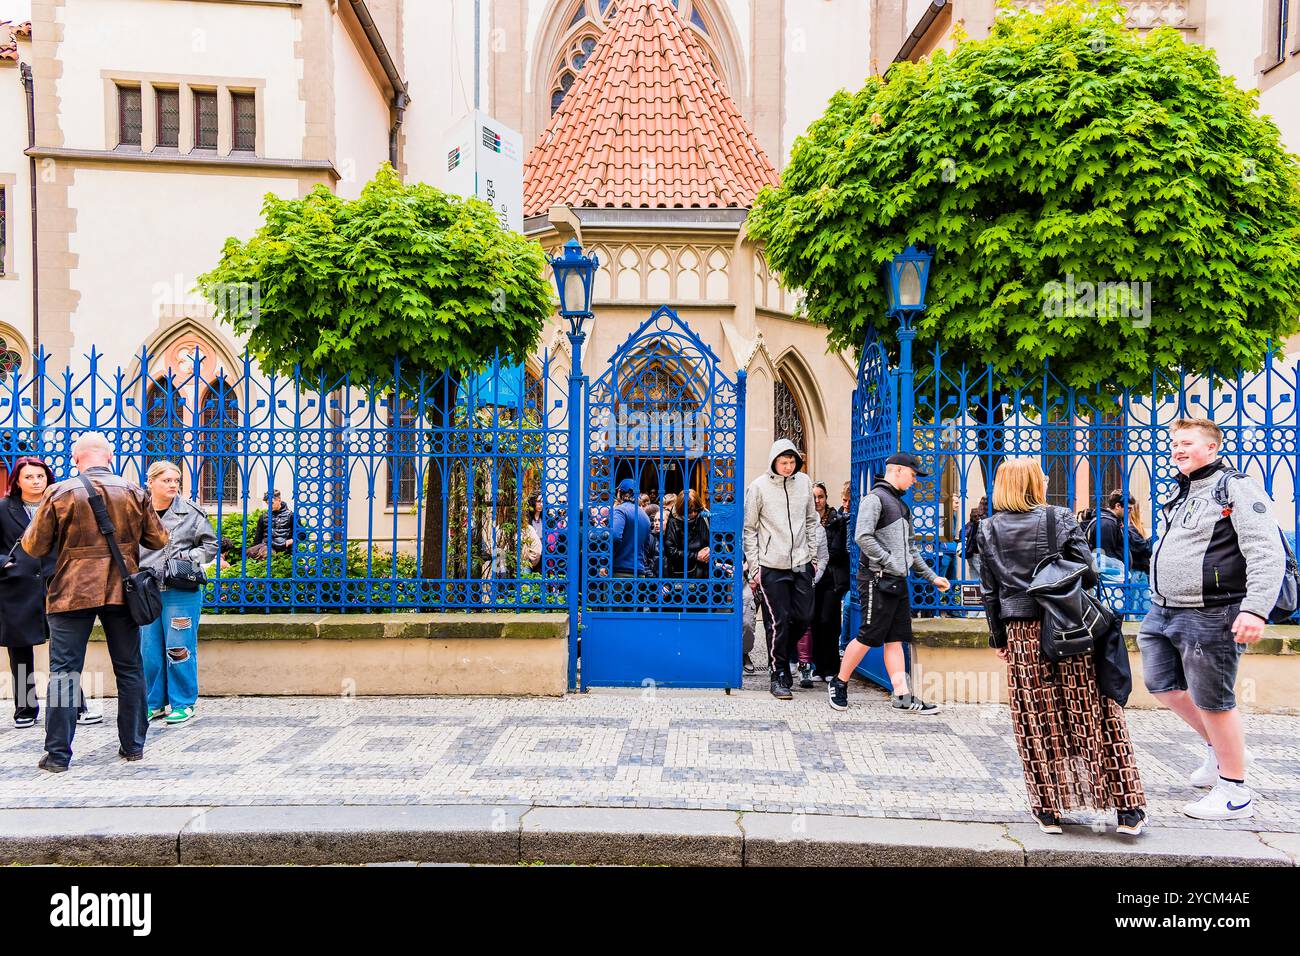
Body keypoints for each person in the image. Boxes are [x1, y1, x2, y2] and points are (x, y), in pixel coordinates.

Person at [975, 457, 1147, 835]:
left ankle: (1048, 809)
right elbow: (1088, 570)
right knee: (1092, 709)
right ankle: (1126, 809)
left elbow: (990, 591)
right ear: (1035, 484)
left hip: (1021, 630)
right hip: (1068, 624)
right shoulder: (1060, 517)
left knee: (1037, 717)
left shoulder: (986, 528)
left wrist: (998, 637)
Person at [1140, 418, 1284, 821]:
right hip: (1164, 609)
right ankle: (1220, 751)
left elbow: (1264, 550)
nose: (1177, 451)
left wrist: (1255, 608)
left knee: (1214, 700)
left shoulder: (1234, 486)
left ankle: (1235, 792)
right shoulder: (1185, 490)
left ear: (1212, 448)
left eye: (1186, 444)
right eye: (1174, 445)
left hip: (1213, 611)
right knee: (1162, 685)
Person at [22, 432, 168, 772]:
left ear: (76, 459)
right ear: (110, 457)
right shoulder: (133, 491)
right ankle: (133, 746)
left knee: (63, 675)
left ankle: (58, 755)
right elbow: (158, 538)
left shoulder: (58, 492)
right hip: (122, 589)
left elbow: (34, 547)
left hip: (72, 591)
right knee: (129, 669)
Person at [828, 453, 950, 713]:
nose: (915, 480)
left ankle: (902, 696)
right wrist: (889, 561)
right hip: (876, 579)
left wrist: (932, 577)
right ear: (896, 470)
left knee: (896, 639)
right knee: (868, 636)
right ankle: (839, 683)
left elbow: (911, 548)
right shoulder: (875, 499)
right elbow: (862, 536)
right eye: (913, 474)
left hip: (896, 580)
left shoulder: (901, 505)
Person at [0, 458, 98, 729]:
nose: (35, 481)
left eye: (40, 476)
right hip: (16, 588)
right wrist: (5, 564)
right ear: (17, 481)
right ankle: (26, 708)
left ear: (48, 479)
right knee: (20, 650)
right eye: (29, 477)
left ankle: (76, 706)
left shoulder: (60, 503)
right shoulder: (3, 509)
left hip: (57, 583)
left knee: (65, 647)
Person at [137, 461, 219, 726]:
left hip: (181, 590)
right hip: (147, 589)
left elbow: (210, 545)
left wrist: (185, 558)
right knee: (148, 650)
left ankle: (183, 702)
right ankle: (154, 702)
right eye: (167, 480)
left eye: (176, 481)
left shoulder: (191, 513)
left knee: (179, 647)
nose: (173, 485)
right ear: (150, 482)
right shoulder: (136, 511)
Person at [743, 438, 818, 700]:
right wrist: (755, 567)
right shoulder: (758, 487)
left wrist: (814, 556)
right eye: (783, 462)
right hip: (771, 565)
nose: (788, 467)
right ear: (774, 461)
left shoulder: (805, 483)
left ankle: (783, 657)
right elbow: (749, 529)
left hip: (801, 562)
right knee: (779, 620)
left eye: (792, 462)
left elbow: (812, 521)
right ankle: (779, 673)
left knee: (805, 616)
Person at [809, 481, 849, 683]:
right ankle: (818, 667)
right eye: (814, 497)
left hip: (832, 578)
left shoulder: (836, 520)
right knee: (814, 621)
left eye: (821, 496)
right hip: (813, 578)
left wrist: (817, 557)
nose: (817, 501)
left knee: (829, 622)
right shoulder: (807, 520)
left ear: (826, 497)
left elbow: (838, 551)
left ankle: (832, 667)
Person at [1085, 491, 1151, 574]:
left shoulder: (1111, 521)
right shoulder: (1106, 524)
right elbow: (1106, 556)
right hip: (1111, 578)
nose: (1130, 511)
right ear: (1117, 506)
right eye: (1129, 508)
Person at [663, 490, 711, 580]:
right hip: (683, 575)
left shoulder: (704, 516)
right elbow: (670, 551)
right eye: (689, 511)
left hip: (706, 574)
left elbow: (717, 539)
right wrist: (696, 556)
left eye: (695, 510)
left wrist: (710, 551)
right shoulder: (674, 521)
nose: (693, 514)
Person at [610, 478, 650, 578]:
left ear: (620, 493)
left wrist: (606, 559)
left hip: (620, 570)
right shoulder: (644, 515)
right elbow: (646, 545)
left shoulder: (620, 510)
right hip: (639, 572)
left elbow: (614, 536)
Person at [247, 489, 295, 560]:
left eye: (271, 503)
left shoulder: (291, 515)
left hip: (284, 550)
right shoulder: (263, 517)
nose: (269, 506)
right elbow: (258, 539)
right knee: (249, 552)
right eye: (267, 503)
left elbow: (302, 535)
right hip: (265, 549)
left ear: (279, 500)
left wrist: (290, 541)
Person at [961, 496, 988, 578]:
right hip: (979, 553)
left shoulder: (976, 514)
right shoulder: (985, 517)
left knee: (975, 580)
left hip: (971, 551)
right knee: (984, 580)